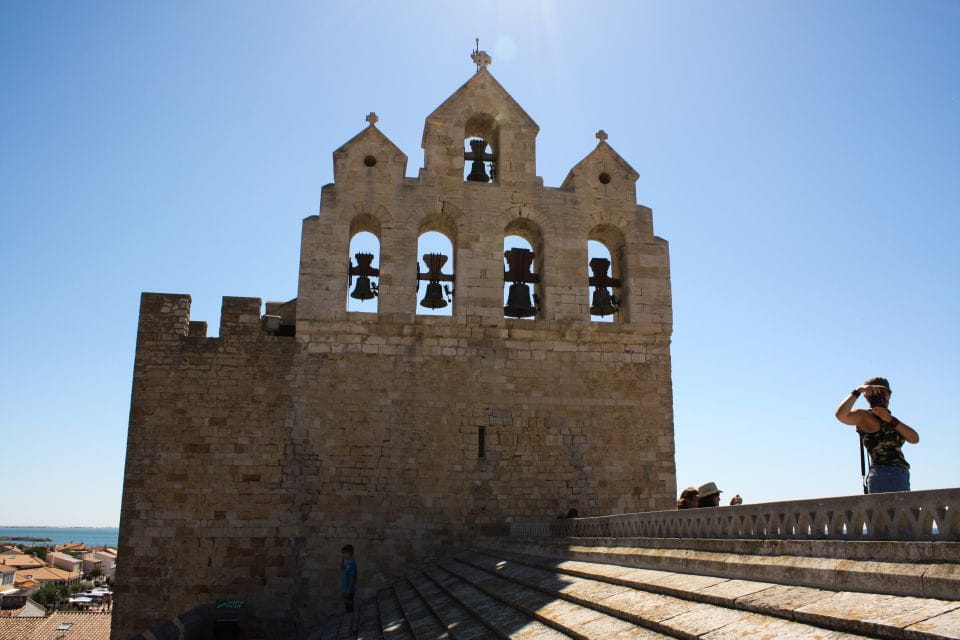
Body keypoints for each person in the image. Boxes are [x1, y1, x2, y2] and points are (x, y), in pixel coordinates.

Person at [835, 377, 919, 493]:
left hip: (901, 473)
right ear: (867, 396)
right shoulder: (865, 417)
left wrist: (890, 419)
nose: (882, 396)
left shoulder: (891, 420)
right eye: (876, 392)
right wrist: (857, 391)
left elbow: (914, 438)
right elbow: (841, 415)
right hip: (884, 473)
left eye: (885, 393)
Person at [340, 544, 357, 632]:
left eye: (344, 553)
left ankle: (349, 629)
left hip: (348, 590)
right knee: (347, 609)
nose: (343, 555)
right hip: (345, 590)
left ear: (349, 553)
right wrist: (342, 559)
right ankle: (348, 627)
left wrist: (349, 591)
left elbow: (352, 578)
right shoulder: (348, 564)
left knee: (350, 609)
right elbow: (341, 569)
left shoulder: (352, 564)